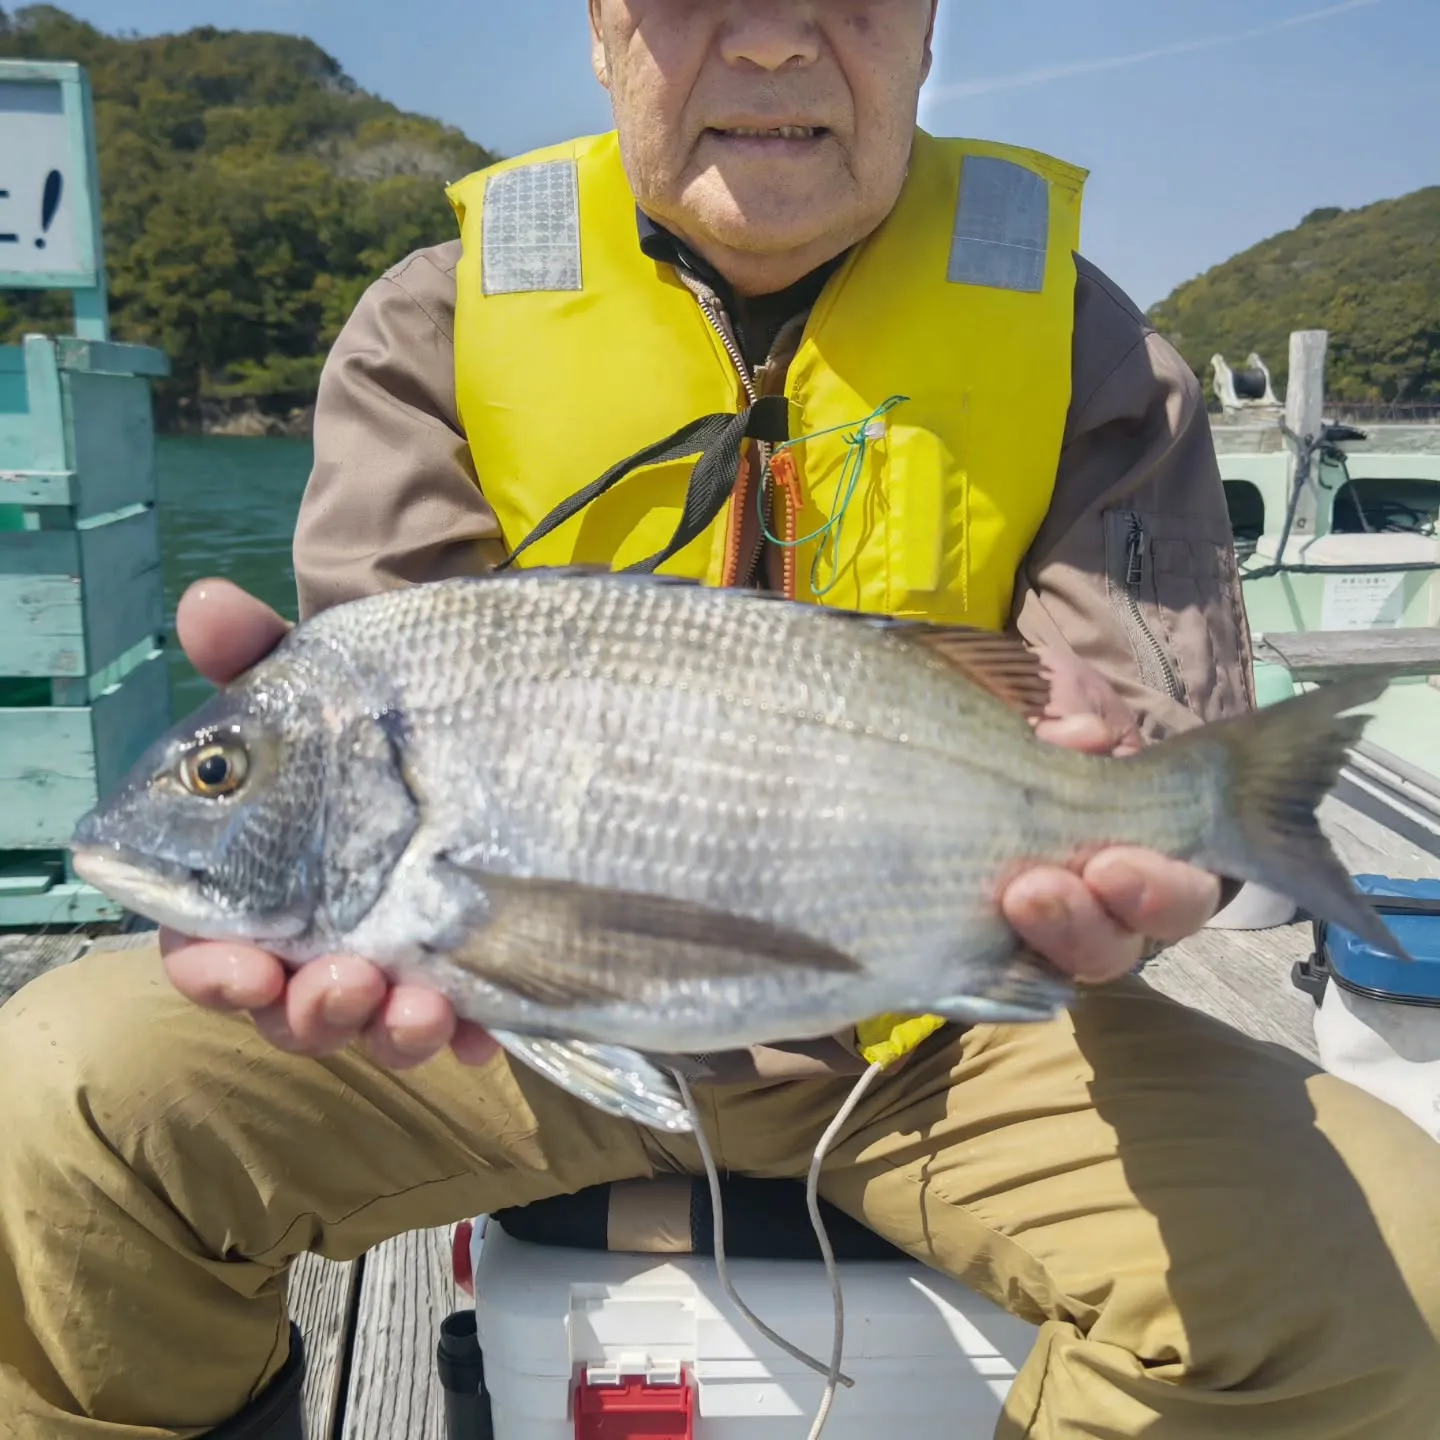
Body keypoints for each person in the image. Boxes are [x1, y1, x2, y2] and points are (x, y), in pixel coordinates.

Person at [2, 4, 1438, 1437]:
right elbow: (380, 709)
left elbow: (1123, 723)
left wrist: (1148, 832)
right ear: (600, 27)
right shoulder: (432, 323)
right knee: (53, 1117)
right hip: (502, 1012)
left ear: (928, 29)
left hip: (934, 1020)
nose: (768, 42)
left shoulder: (1089, 345)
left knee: (1401, 1259)